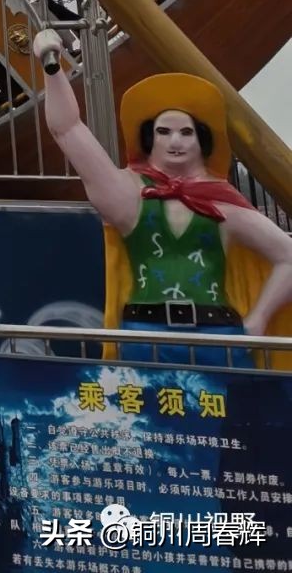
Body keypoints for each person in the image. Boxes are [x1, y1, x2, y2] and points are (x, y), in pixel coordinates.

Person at [35, 28, 292, 367]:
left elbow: (288, 256)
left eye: (187, 132)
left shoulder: (223, 203)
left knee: (231, 420)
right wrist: (51, 69)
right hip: (146, 335)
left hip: (219, 338)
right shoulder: (129, 195)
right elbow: (68, 130)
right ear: (149, 139)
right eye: (164, 131)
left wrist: (258, 319)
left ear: (202, 141)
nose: (176, 141)